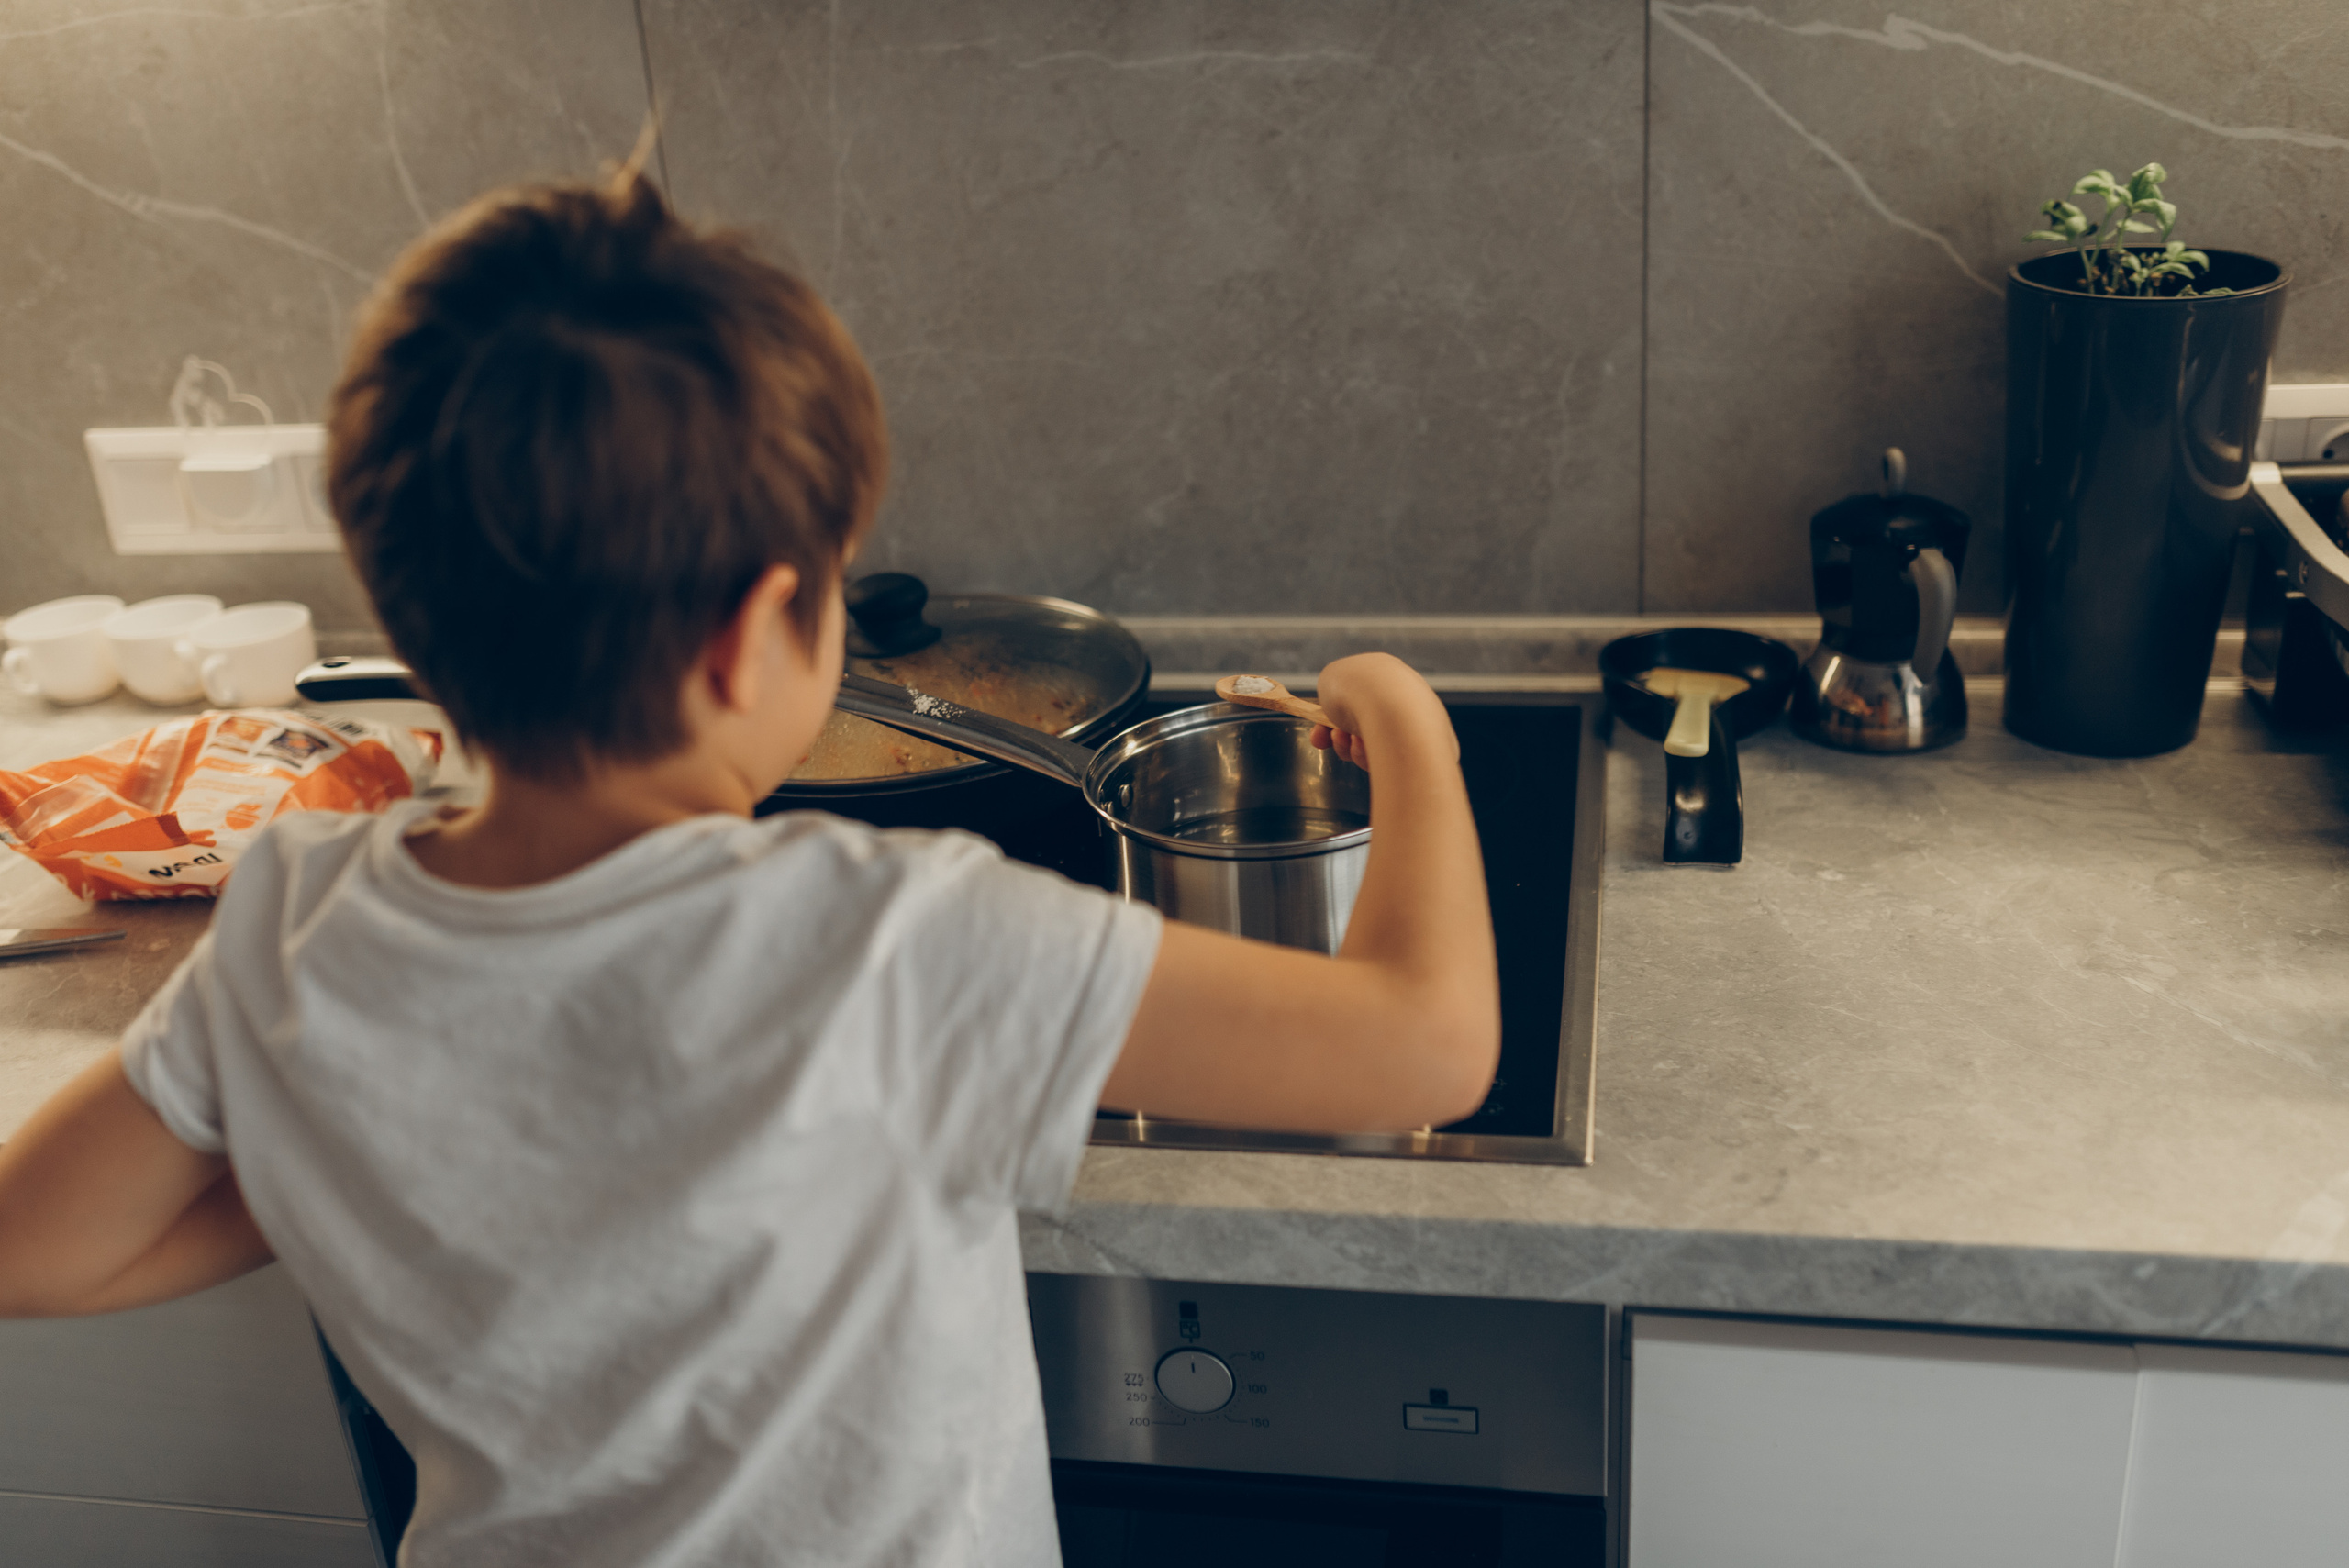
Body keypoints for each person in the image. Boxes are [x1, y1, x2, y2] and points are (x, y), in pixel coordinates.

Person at [0, 159, 1497, 1566]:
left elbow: (32, 1251)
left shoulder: (287, 928)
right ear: (747, 638)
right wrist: (1413, 728)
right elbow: (1425, 1048)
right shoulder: (880, 941)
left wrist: (364, 1150)